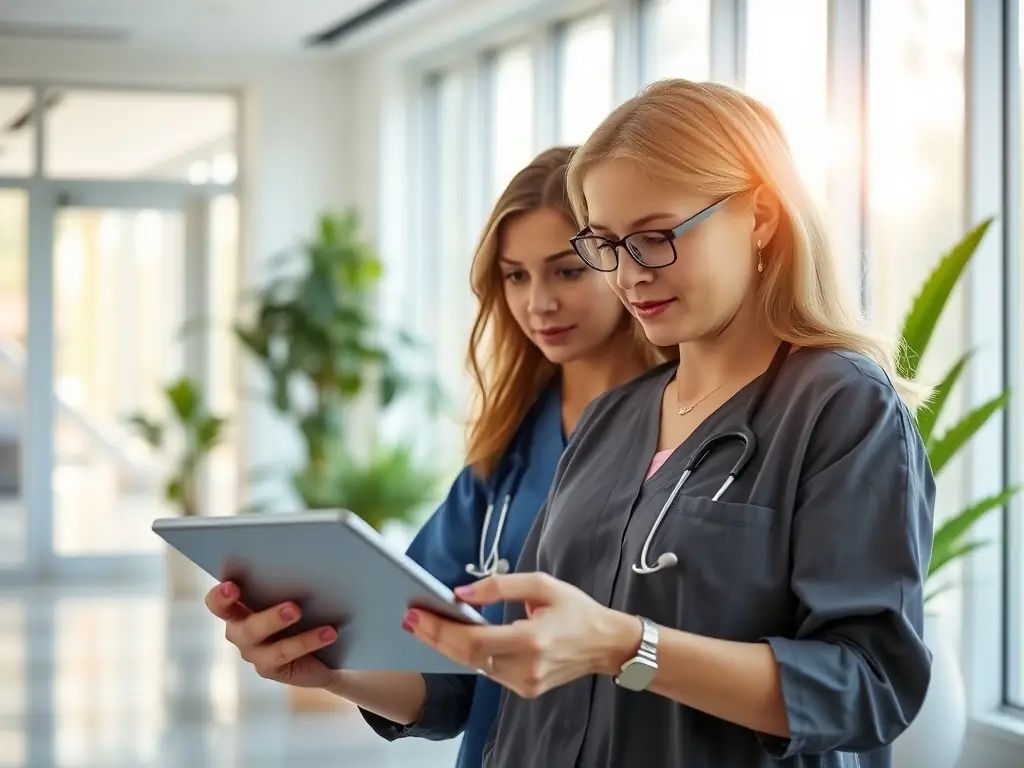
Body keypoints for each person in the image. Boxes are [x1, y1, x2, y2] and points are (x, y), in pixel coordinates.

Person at [389, 80, 938, 767]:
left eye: (653, 237)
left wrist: (628, 646)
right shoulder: (613, 418)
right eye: (606, 244)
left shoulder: (840, 408)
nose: (628, 275)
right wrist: (329, 666)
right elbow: (513, 678)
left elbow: (869, 685)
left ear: (760, 215)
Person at [204, 146, 668, 768]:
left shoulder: (689, 431)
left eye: (566, 271)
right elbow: (447, 679)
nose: (538, 304)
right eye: (515, 275)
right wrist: (330, 671)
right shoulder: (505, 451)